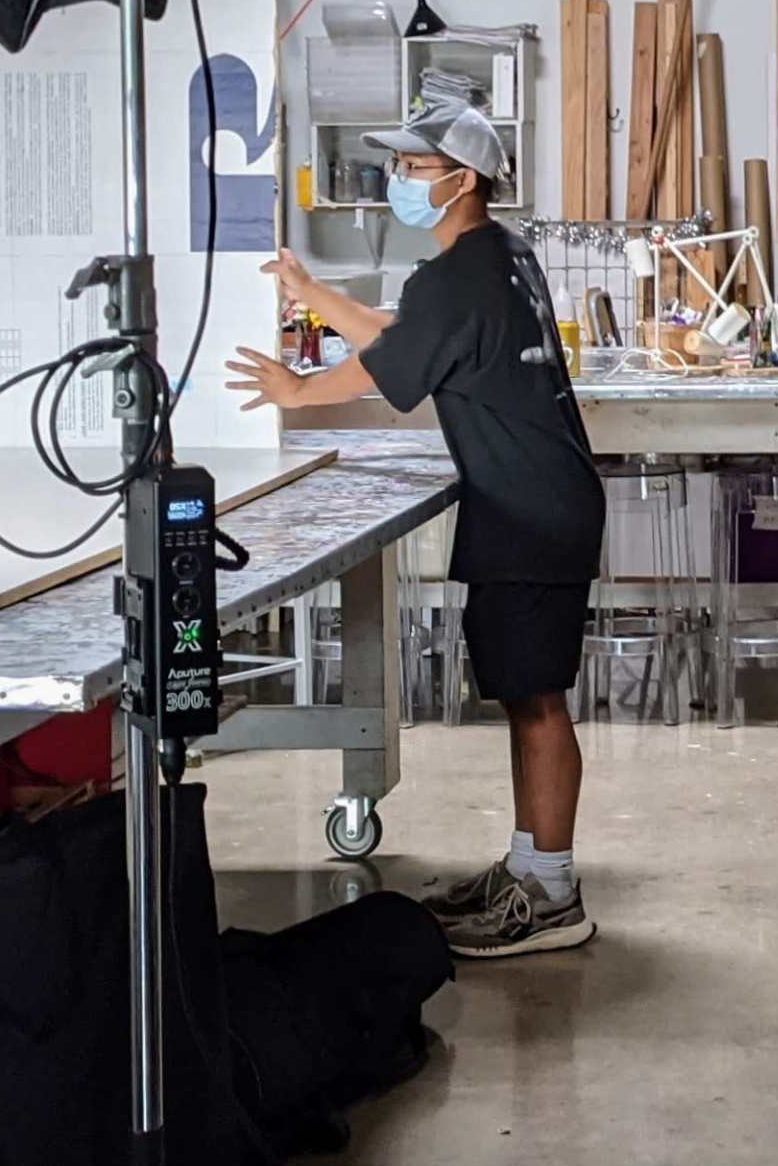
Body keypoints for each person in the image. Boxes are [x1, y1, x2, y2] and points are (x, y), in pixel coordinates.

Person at [228, 99, 607, 960]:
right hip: (541, 502)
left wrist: (296, 390)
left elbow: (379, 368)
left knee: (538, 703)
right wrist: (315, 296)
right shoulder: (497, 257)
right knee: (525, 696)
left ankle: (552, 896)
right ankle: (530, 869)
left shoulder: (456, 275)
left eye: (412, 167)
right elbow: (408, 344)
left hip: (530, 511)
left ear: (462, 180)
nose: (397, 180)